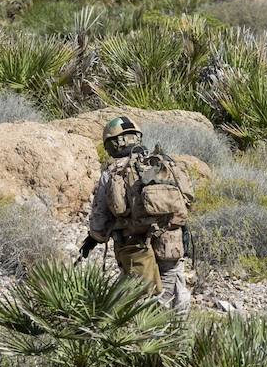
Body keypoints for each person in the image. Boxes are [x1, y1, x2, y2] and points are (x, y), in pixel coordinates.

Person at [82, 115, 193, 312]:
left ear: (112, 144)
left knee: (140, 300)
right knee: (175, 292)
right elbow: (187, 200)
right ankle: (178, 337)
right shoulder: (162, 164)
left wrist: (94, 238)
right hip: (171, 243)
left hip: (135, 248)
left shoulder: (112, 172)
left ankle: (145, 336)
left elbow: (99, 221)